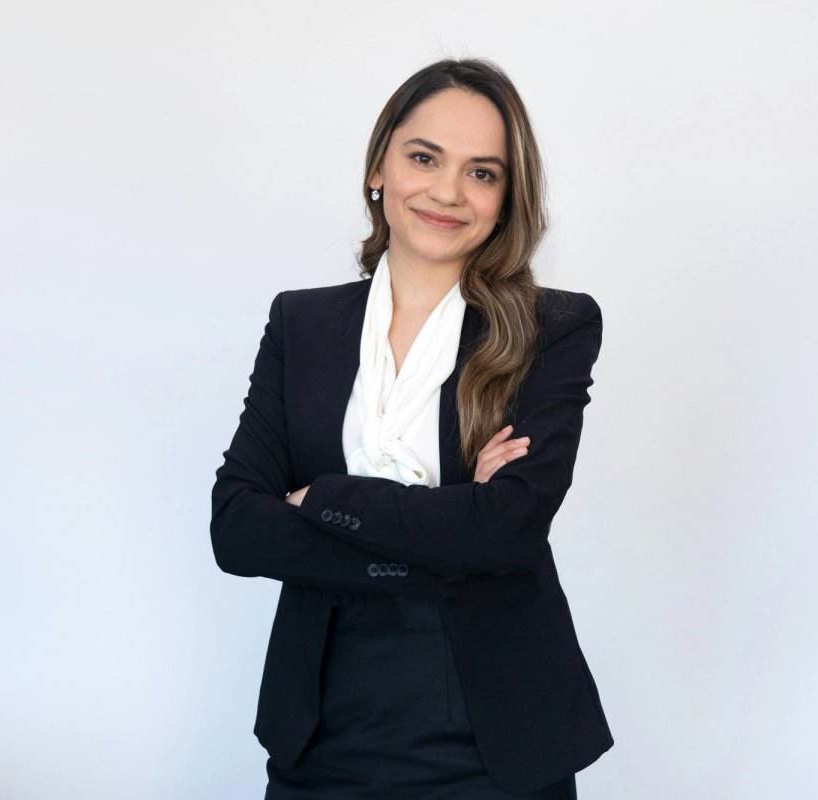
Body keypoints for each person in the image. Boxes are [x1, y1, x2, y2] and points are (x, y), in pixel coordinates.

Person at [210, 57, 613, 799]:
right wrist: (448, 534)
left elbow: (509, 531)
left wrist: (325, 498)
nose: (447, 192)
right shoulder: (302, 324)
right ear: (379, 166)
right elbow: (236, 529)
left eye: (482, 173)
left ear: (506, 197)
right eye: (424, 157)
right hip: (324, 728)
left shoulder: (552, 328)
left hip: (493, 736)